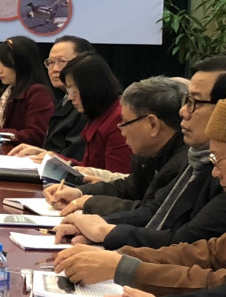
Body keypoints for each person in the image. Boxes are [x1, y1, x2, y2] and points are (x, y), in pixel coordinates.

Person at [53, 98, 226, 295]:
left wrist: (119, 260)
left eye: (217, 159)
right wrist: (118, 257)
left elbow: (213, 281)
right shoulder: (189, 159)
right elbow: (206, 253)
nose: (184, 112)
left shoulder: (195, 166)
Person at [53, 61, 226, 251]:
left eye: (195, 102)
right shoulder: (196, 157)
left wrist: (106, 231)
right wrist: (97, 223)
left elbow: (187, 243)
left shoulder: (203, 163)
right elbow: (151, 208)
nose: (183, 111)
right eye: (186, 100)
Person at [44, 76, 188, 217]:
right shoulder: (151, 153)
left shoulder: (182, 165)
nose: (121, 130)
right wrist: (79, 192)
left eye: (125, 122)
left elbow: (149, 213)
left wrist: (90, 202)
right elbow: (128, 187)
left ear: (153, 125)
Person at [2, 52, 131, 173]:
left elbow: (114, 178)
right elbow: (87, 167)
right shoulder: (97, 114)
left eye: (73, 89)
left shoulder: (118, 119)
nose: (70, 97)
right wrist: (49, 156)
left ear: (91, 86)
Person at [41, 35, 95, 157]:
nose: (55, 69)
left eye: (62, 61)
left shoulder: (88, 103)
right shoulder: (63, 101)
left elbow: (75, 154)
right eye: (50, 62)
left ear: (84, 62)